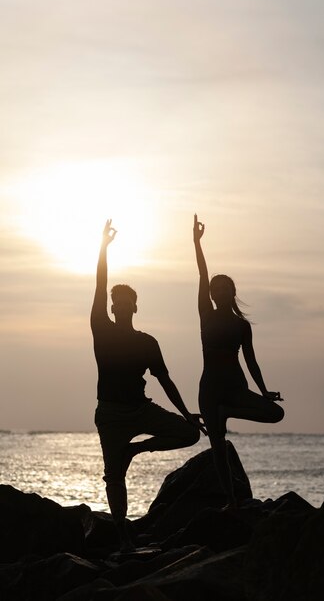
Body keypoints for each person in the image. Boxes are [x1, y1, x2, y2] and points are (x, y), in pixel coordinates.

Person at [92, 219, 205, 551]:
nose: (120, 306)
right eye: (116, 303)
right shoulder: (101, 327)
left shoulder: (147, 342)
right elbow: (99, 286)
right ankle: (123, 536)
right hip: (111, 414)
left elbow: (165, 380)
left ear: (135, 308)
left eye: (126, 303)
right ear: (112, 308)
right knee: (114, 476)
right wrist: (102, 248)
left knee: (190, 433)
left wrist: (187, 413)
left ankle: (135, 450)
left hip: (142, 410)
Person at [193, 214, 284, 507]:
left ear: (233, 293)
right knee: (217, 446)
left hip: (234, 387)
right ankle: (230, 501)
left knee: (275, 413)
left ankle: (227, 411)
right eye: (215, 289)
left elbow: (251, 360)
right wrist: (197, 243)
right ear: (211, 294)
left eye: (224, 288)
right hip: (209, 387)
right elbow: (201, 274)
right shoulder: (205, 314)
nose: (218, 291)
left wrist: (264, 390)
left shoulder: (241, 326)